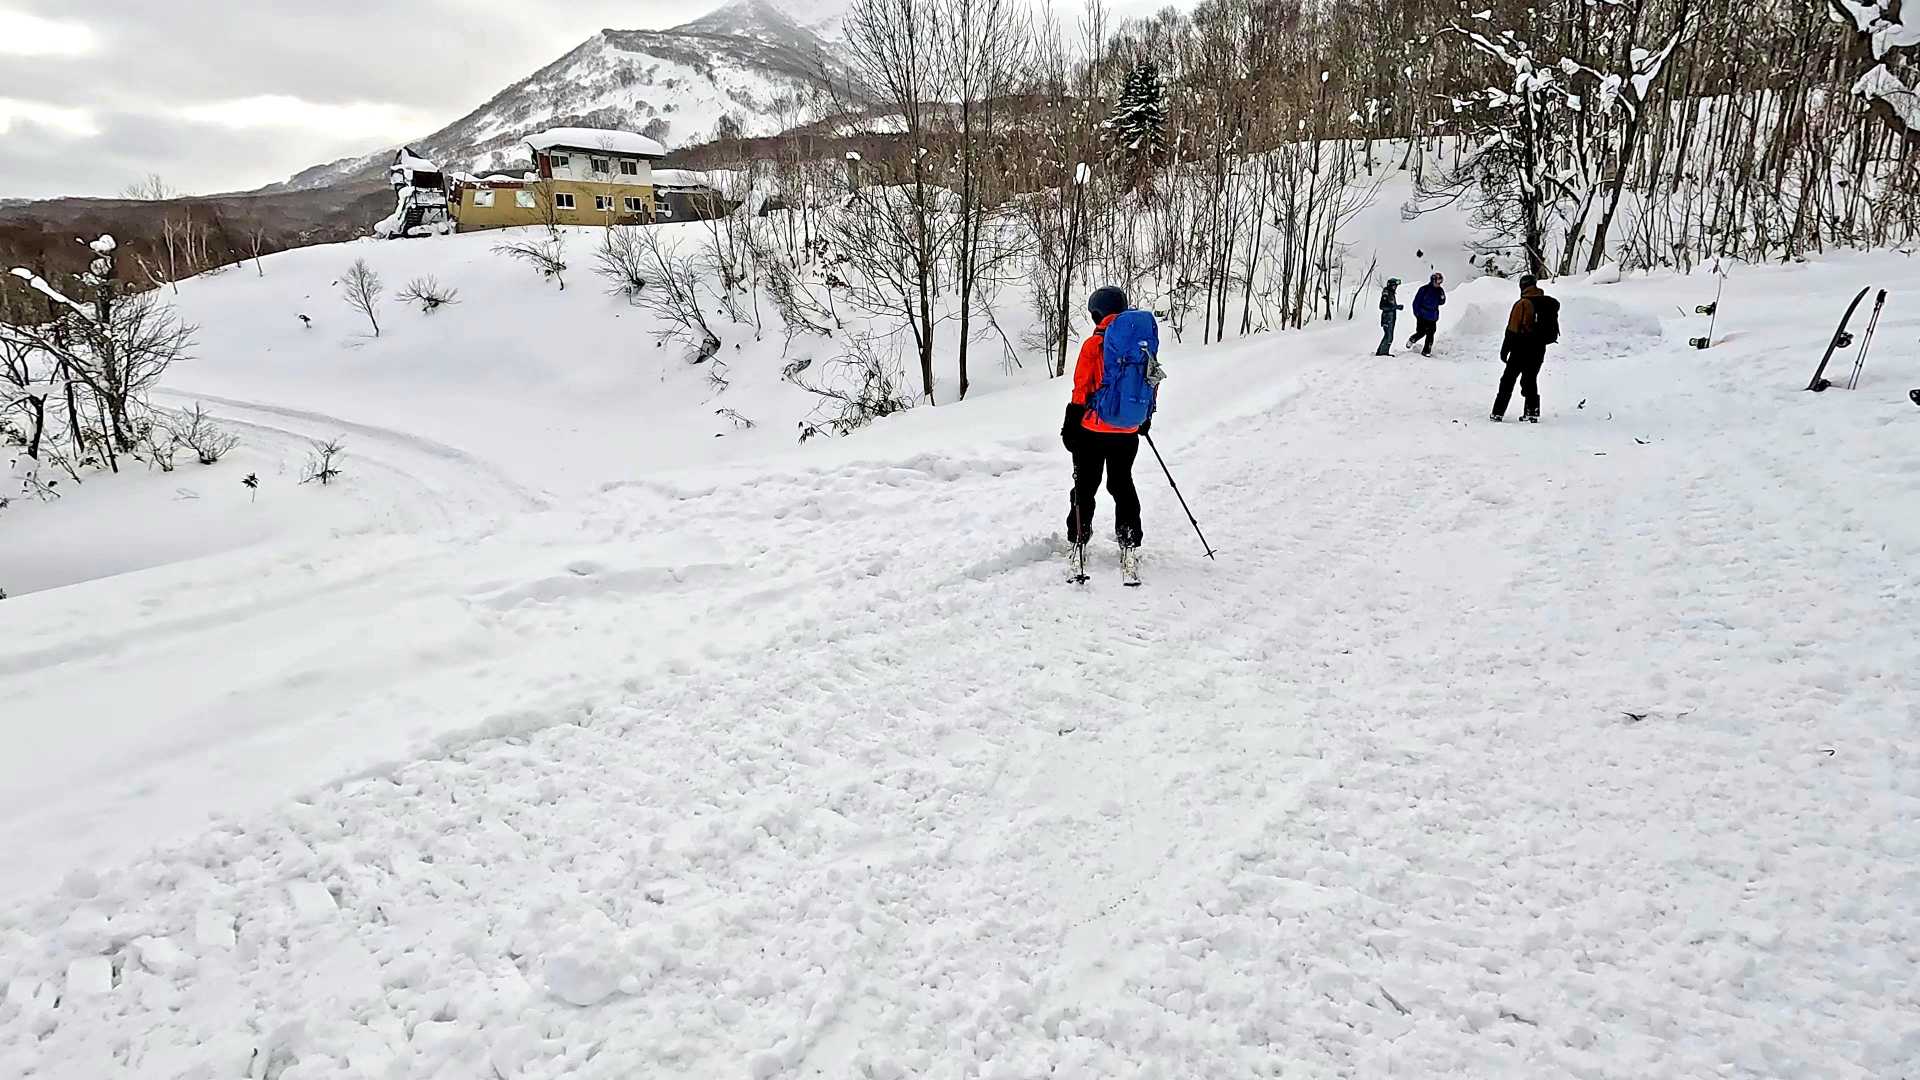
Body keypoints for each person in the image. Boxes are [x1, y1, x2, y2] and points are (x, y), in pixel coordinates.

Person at [1062, 285, 1146, 574]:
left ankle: (1078, 537)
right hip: (1127, 430)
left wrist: (1071, 423)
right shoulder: (1140, 345)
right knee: (1122, 483)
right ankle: (1129, 539)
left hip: (1093, 430)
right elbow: (1151, 381)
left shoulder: (1094, 345)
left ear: (1098, 313)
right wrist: (1144, 416)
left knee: (1086, 485)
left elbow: (1081, 387)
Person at [1490, 274, 1559, 423]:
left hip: (1520, 348)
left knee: (1508, 380)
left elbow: (1512, 329)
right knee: (1530, 379)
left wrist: (1504, 350)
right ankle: (1532, 412)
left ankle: (1498, 413)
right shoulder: (1547, 303)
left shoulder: (1522, 304)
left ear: (1522, 286)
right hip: (1539, 348)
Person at [1407, 272, 1446, 356]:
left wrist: (1442, 298)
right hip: (1422, 315)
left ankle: (1426, 351)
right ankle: (1412, 339)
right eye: (1438, 282)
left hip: (1433, 316)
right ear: (1433, 281)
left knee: (1430, 334)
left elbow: (1441, 302)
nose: (1439, 284)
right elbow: (1416, 302)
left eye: (1440, 282)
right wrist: (1417, 313)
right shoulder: (1424, 289)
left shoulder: (1440, 290)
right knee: (1421, 332)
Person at [1376, 278, 1404, 356]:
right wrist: (1396, 307)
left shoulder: (1391, 293)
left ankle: (1381, 352)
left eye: (1396, 286)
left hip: (1391, 318)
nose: (1395, 287)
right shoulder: (1386, 293)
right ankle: (1383, 353)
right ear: (1390, 285)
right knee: (1389, 336)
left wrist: (1396, 307)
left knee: (1388, 335)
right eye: (1394, 286)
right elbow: (1382, 306)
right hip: (1387, 318)